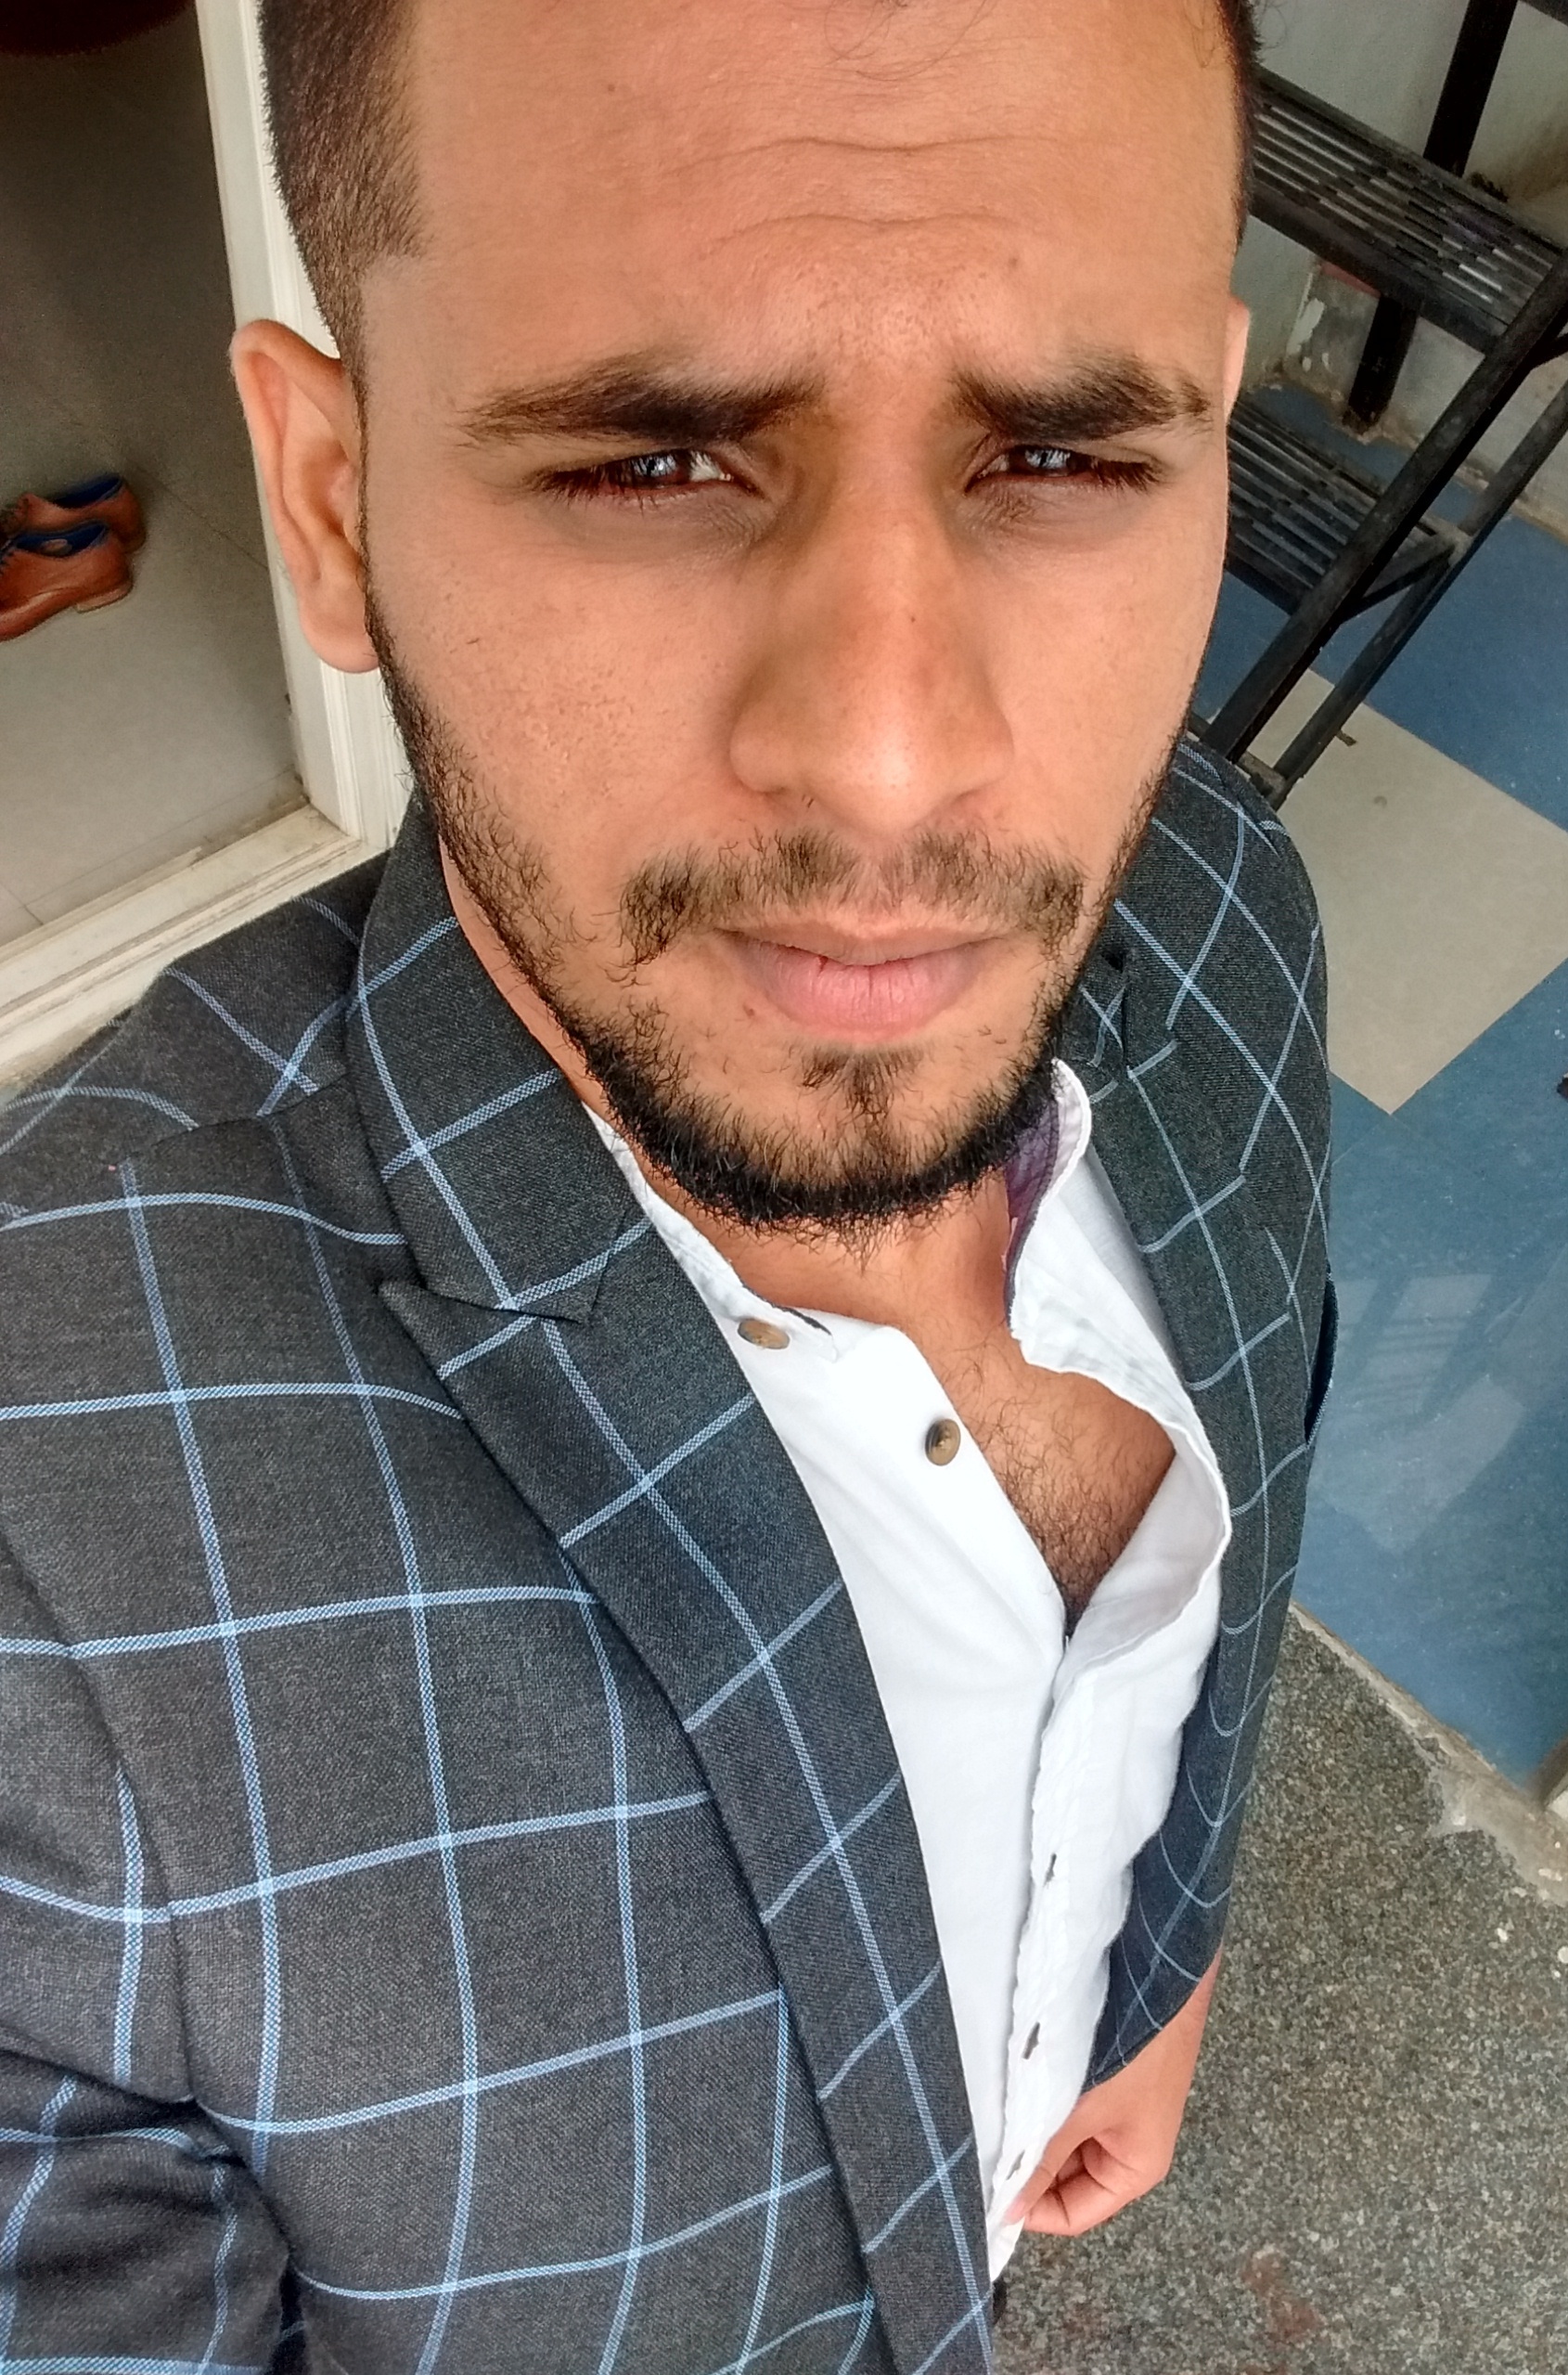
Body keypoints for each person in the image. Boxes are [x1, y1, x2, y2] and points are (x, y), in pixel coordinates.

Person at [0, 1, 1334, 2368]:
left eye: (1060, 452)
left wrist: (1149, 1965)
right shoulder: (49, 1589)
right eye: (651, 461)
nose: (893, 756)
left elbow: (1260, 1423)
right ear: (332, 502)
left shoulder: (1220, 908)